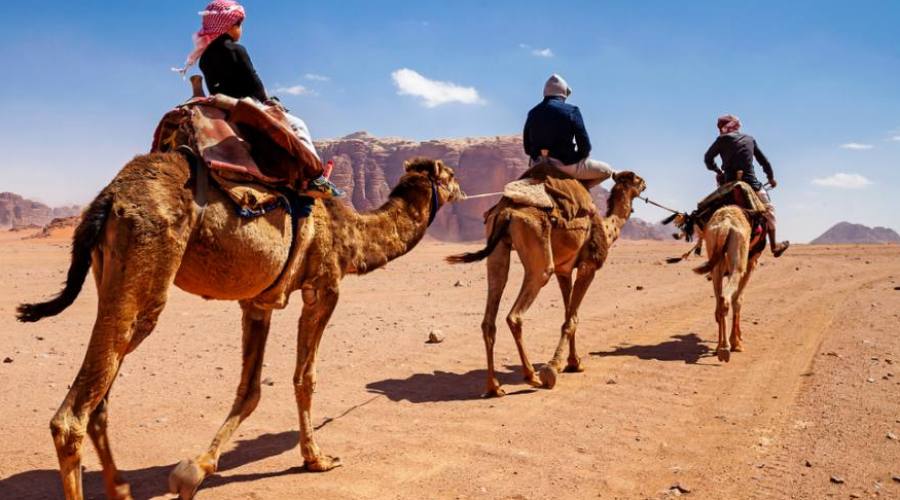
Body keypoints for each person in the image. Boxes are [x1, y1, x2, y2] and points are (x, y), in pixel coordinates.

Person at [175, 0, 342, 198]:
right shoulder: (236, 50)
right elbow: (253, 81)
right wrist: (268, 100)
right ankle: (314, 177)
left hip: (221, 106)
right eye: (239, 25)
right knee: (297, 125)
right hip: (245, 105)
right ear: (230, 26)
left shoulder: (205, 58)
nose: (241, 30)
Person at [704, 114, 789, 257]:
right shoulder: (750, 139)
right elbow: (765, 162)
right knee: (769, 211)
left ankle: (701, 241)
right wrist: (771, 178)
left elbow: (707, 159)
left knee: (707, 208)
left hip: (727, 184)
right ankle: (774, 246)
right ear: (737, 125)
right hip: (751, 184)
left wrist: (718, 170)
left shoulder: (721, 140)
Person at [522, 74, 617, 188]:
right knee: (607, 171)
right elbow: (584, 146)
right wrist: (575, 158)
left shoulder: (532, 112)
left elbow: (527, 148)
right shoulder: (572, 111)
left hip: (538, 164)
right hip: (565, 165)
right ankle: (580, 190)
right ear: (563, 93)